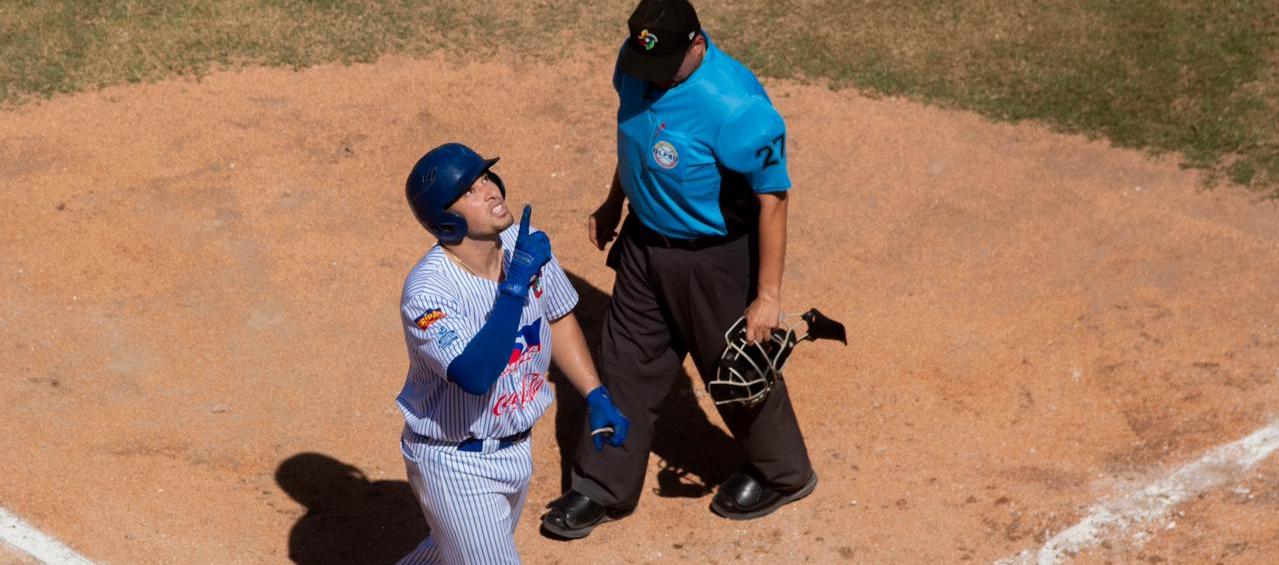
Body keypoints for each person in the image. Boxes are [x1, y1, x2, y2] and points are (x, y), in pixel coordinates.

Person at [540, 0, 817, 540]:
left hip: (715, 258)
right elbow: (637, 140)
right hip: (645, 246)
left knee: (734, 368)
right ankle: (601, 486)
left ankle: (784, 474)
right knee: (624, 363)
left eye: (668, 64)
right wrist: (614, 201)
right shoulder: (637, 61)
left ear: (697, 44)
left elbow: (773, 199)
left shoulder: (736, 105)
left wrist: (767, 295)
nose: (654, 78)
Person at [395, 142, 631, 564]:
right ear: (445, 219)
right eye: (469, 190)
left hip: (516, 450)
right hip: (455, 463)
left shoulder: (519, 244)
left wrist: (595, 393)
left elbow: (557, 316)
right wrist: (516, 283)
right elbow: (475, 373)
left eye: (486, 178)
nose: (489, 191)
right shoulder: (429, 293)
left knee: (448, 554)